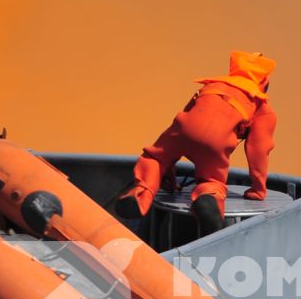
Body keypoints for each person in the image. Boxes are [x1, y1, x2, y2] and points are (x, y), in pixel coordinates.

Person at [115, 50, 277, 236]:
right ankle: (208, 199)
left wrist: (167, 177)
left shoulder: (213, 86)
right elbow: (259, 150)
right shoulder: (262, 108)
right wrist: (258, 189)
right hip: (216, 143)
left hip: (184, 128)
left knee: (155, 159)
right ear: (264, 83)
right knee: (212, 180)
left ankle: (140, 192)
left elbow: (186, 116)